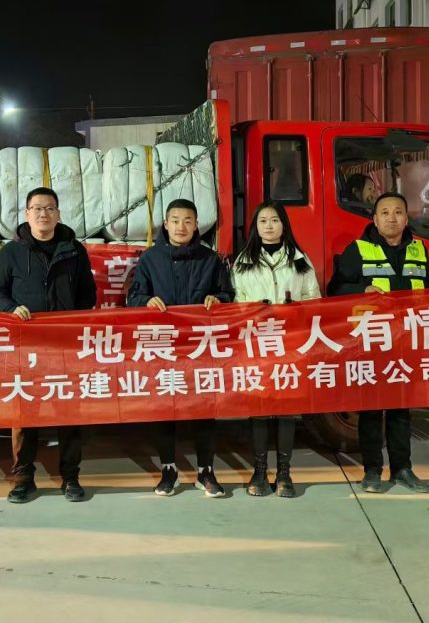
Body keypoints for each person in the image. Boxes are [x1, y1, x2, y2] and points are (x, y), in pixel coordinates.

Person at [0, 186, 98, 503]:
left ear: (58, 214)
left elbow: (88, 295)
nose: (43, 214)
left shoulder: (74, 251)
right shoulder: (12, 252)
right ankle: (23, 478)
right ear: (27, 214)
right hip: (26, 346)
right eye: (37, 208)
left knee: (68, 412)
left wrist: (69, 318)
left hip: (64, 346)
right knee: (24, 413)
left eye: (49, 208)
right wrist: (11, 308)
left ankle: (71, 478)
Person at [329, 192, 429, 494]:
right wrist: (362, 289)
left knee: (401, 410)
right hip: (372, 343)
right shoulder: (358, 250)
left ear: (406, 219)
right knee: (371, 410)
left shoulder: (419, 250)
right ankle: (372, 470)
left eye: (398, 212)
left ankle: (403, 468)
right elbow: (335, 289)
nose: (392, 218)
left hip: (406, 342)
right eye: (385, 212)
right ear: (375, 219)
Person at [127, 198, 234, 497]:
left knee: (205, 409)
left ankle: (206, 471)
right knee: (166, 409)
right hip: (163, 347)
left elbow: (228, 293)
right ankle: (169, 470)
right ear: (165, 224)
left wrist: (219, 299)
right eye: (175, 220)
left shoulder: (210, 259)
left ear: (196, 225)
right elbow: (133, 297)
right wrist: (146, 301)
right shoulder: (150, 259)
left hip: (200, 347)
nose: (181, 227)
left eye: (188, 221)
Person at [230, 200, 320, 498]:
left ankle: (284, 473)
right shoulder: (243, 262)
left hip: (291, 344)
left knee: (287, 411)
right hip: (258, 345)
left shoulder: (300, 260)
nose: (269, 226)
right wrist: (254, 310)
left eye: (274, 220)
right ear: (255, 227)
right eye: (263, 221)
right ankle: (259, 471)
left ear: (284, 225)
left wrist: (296, 311)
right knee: (259, 410)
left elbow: (314, 299)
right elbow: (236, 302)